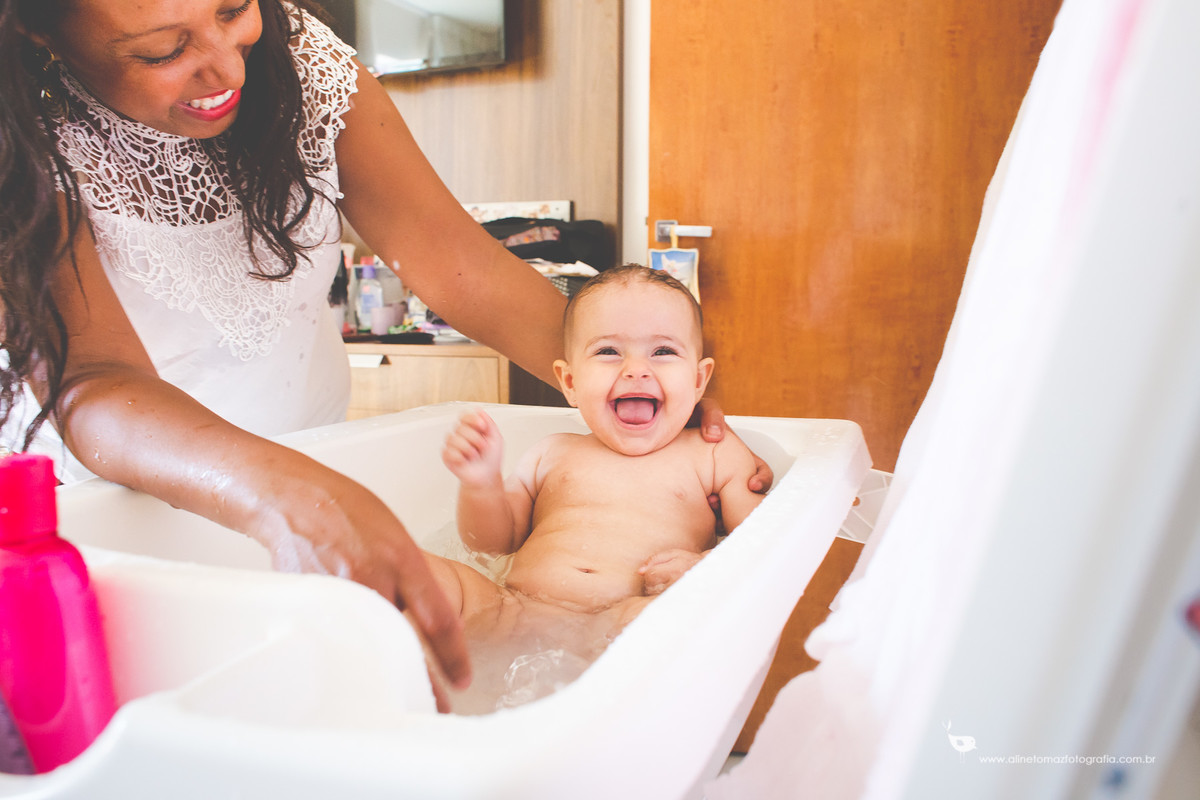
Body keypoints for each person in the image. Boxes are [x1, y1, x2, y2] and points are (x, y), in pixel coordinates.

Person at [0, 1, 767, 702]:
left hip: (315, 454)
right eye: (164, 50)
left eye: (234, 9)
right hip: (106, 515)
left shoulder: (304, 62)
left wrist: (634, 374)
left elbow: (458, 266)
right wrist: (294, 497)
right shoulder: (18, 130)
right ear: (35, 27)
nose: (228, 65)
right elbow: (92, 377)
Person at [437, 266, 766, 709]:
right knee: (422, 571)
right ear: (570, 382)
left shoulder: (712, 454)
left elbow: (766, 540)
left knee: (682, 619)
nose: (636, 370)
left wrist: (704, 566)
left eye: (663, 351)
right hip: (508, 606)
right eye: (609, 351)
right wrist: (480, 485)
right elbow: (492, 543)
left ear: (698, 379)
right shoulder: (552, 451)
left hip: (626, 618)